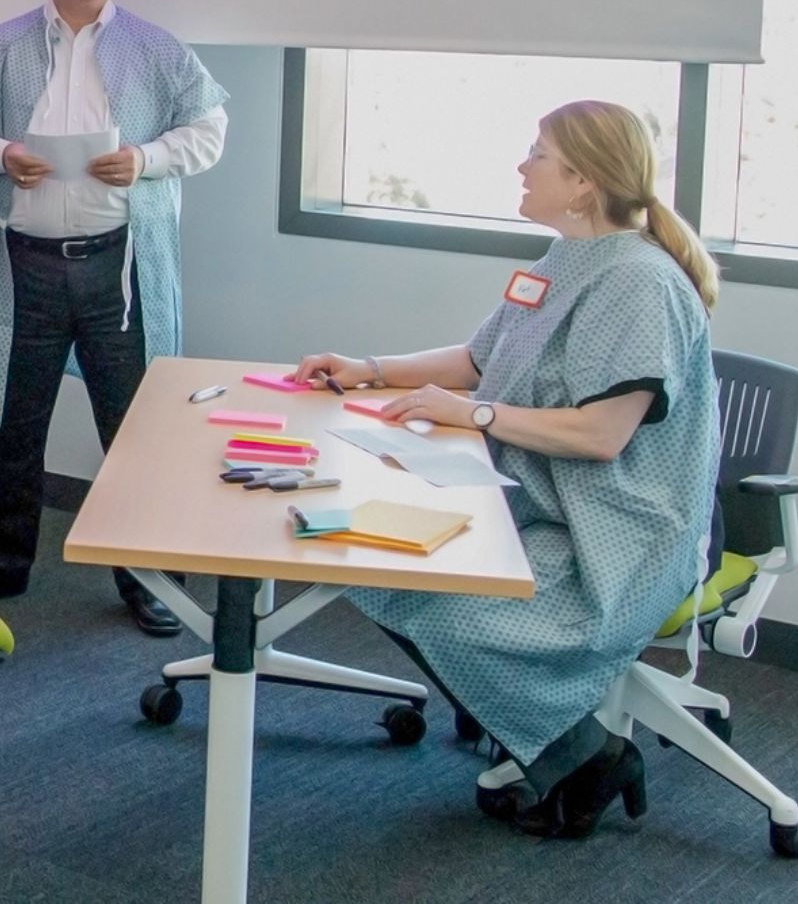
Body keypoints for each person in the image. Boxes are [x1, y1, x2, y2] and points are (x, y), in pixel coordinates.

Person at [292, 100, 719, 839]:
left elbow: (602, 434)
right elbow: (479, 358)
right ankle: (555, 736)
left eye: (539, 154)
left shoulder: (638, 284)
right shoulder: (567, 260)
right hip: (540, 505)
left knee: (447, 606)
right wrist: (366, 368)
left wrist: (477, 416)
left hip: (619, 537)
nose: (522, 166)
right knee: (381, 565)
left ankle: (584, 755)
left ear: (583, 182)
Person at [0, 0, 228, 635]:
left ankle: (151, 578)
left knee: (139, 430)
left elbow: (211, 129)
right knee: (7, 426)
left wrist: (148, 159)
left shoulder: (156, 49)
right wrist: (1, 154)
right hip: (24, 266)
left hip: (118, 273)